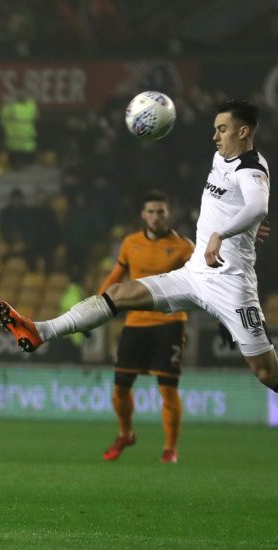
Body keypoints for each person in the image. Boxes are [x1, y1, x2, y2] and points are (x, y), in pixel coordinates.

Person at [0, 99, 278, 471]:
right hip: (195, 274)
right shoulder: (221, 160)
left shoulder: (251, 165)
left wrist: (223, 234)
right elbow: (238, 207)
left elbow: (258, 206)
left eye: (222, 129)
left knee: (268, 372)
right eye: (214, 128)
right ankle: (40, 331)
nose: (215, 136)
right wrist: (238, 227)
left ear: (244, 132)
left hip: (231, 285)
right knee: (119, 294)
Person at [96, 190, 194, 463]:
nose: (155, 216)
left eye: (160, 211)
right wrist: (97, 306)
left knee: (167, 388)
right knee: (120, 388)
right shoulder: (130, 243)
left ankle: (170, 450)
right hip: (135, 322)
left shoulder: (185, 247)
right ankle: (126, 433)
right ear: (142, 215)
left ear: (168, 214)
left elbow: (200, 284)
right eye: (150, 211)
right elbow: (116, 274)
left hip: (170, 323)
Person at [0, 88, 38, 170]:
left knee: (16, 156)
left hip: (14, 138)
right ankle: (22, 166)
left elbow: (3, 118)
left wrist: (8, 128)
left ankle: (18, 166)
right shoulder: (31, 105)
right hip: (25, 138)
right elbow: (36, 117)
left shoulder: (11, 106)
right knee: (24, 157)